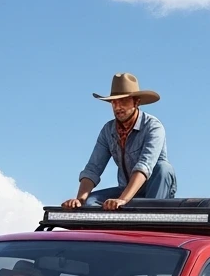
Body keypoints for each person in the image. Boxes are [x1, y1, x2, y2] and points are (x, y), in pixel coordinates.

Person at [61, 73, 176, 210]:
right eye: (113, 102)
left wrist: (123, 200)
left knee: (163, 169)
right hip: (125, 189)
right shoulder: (108, 130)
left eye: (123, 101)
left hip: (155, 189)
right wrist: (80, 200)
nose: (117, 107)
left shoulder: (153, 127)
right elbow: (93, 168)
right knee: (90, 201)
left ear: (136, 102)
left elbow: (144, 166)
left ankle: (152, 217)